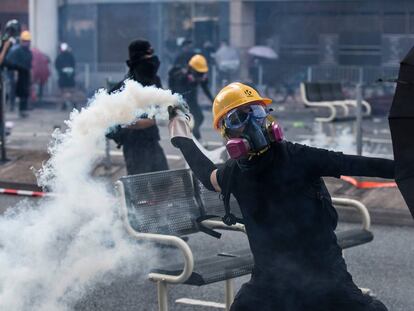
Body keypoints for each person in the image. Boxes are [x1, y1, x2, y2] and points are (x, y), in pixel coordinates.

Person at [168, 82, 393, 311]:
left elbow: (356, 164)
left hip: (324, 277)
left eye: (256, 112)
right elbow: (209, 176)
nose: (253, 124)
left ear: (266, 116)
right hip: (271, 283)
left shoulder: (298, 157)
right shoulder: (236, 171)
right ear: (227, 132)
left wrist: (404, 169)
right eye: (238, 118)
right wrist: (182, 138)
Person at [106, 39, 168, 175]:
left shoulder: (154, 80)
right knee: (139, 188)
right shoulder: (125, 88)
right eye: (147, 56)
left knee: (164, 183)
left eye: (152, 55)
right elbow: (120, 121)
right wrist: (150, 122)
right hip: (134, 146)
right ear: (137, 59)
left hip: (152, 141)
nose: (151, 60)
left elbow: (163, 103)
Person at [169, 54, 214, 140]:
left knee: (200, 117)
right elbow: (177, 90)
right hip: (181, 99)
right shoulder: (181, 75)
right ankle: (191, 136)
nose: (200, 75)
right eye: (198, 72)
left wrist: (214, 101)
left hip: (191, 99)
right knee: (190, 119)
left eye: (202, 73)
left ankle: (193, 135)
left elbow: (205, 89)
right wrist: (190, 82)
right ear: (191, 68)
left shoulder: (199, 77)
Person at [6, 30, 32, 118]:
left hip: (25, 73)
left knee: (24, 92)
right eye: (25, 41)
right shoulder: (16, 50)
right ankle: (12, 105)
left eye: (28, 41)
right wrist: (16, 69)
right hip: (16, 73)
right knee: (13, 90)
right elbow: (9, 62)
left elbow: (29, 63)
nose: (27, 43)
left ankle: (23, 110)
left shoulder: (28, 52)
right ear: (21, 41)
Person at [55, 42, 76, 110]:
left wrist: (68, 70)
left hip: (68, 78)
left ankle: (72, 104)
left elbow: (73, 64)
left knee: (69, 91)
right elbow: (57, 66)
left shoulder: (68, 56)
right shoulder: (61, 57)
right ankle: (65, 104)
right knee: (64, 91)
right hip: (65, 78)